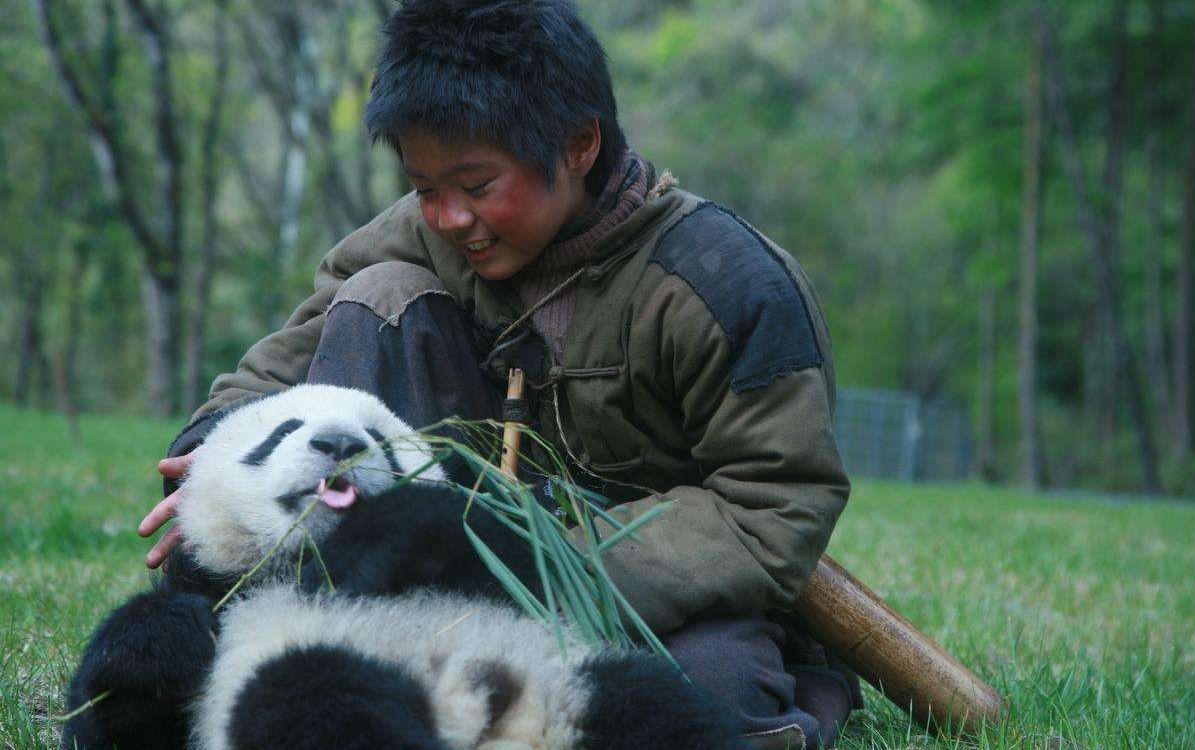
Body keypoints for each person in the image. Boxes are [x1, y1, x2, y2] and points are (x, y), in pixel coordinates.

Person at [141, 1, 859, 747]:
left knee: (701, 703)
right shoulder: (429, 229)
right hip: (426, 558)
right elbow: (288, 362)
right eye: (425, 188)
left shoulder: (730, 283)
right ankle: (328, 609)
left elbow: (774, 503)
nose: (449, 217)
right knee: (376, 297)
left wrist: (535, 566)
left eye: (477, 186)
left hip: (643, 592)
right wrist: (212, 452)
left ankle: (809, 688)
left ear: (580, 143)